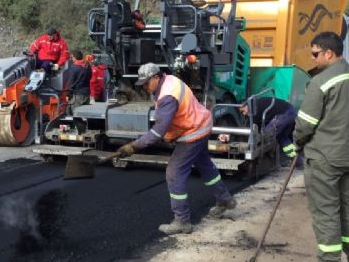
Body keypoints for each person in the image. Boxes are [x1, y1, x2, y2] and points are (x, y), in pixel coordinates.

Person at [293, 31, 349, 262]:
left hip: (324, 158)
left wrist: (297, 143)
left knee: (326, 213)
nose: (313, 58)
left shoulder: (320, 82)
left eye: (315, 54)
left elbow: (305, 125)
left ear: (329, 53)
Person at [116, 63, 237, 235]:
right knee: (205, 166)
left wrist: (133, 146)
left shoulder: (167, 96)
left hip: (192, 132)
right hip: (201, 123)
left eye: (146, 82)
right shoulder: (169, 80)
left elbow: (158, 131)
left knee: (174, 173)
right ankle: (225, 199)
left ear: (156, 77)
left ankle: (182, 221)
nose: (144, 86)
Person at [221, 97, 301, 166]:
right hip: (290, 111)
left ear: (247, 106)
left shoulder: (255, 110)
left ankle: (267, 161)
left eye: (243, 111)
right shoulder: (255, 104)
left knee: (266, 136)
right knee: (282, 137)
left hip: (285, 114)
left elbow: (253, 129)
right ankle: (298, 160)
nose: (244, 114)